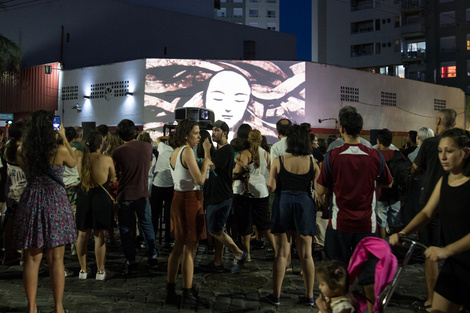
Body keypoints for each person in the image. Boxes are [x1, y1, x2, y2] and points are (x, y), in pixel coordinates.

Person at [316, 108, 393, 312]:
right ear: (361, 129)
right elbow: (388, 183)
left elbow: (320, 189)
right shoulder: (375, 156)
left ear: (341, 128)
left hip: (339, 223)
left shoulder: (333, 155)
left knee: (335, 273)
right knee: (369, 276)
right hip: (368, 224)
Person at [390, 128, 470, 313]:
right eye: (440, 151)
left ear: (465, 152)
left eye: (449, 151)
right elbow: (427, 213)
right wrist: (404, 232)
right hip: (455, 263)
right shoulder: (445, 181)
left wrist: (445, 250)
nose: (443, 156)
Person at [14, 110, 76, 313]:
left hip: (31, 200)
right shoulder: (60, 151)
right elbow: (74, 162)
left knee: (32, 258)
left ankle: (31, 308)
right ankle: (59, 308)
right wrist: (65, 137)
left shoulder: (22, 150)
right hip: (56, 203)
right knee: (56, 259)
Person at [265, 124, 319, 307]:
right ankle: (310, 296)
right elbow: (319, 191)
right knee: (307, 254)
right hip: (304, 204)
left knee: (281, 253)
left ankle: (276, 295)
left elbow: (271, 187)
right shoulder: (313, 163)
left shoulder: (278, 160)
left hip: (284, 202)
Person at [411, 108, 456, 311]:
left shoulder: (429, 143)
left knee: (431, 251)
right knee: (454, 253)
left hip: (431, 202)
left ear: (438, 121)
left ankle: (432, 298)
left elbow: (415, 168)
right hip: (453, 204)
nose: (444, 157)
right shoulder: (460, 143)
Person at [165, 119, 212, 309]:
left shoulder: (175, 152)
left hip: (178, 199)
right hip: (189, 201)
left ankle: (171, 289)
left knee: (178, 247)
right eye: (196, 133)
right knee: (190, 250)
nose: (199, 136)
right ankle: (187, 291)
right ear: (186, 135)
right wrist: (207, 161)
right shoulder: (187, 151)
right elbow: (200, 179)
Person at [199, 120, 249, 273]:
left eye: (216, 130)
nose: (213, 133)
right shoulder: (219, 150)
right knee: (218, 229)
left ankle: (239, 253)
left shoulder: (227, 150)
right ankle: (217, 262)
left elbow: (211, 167)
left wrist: (206, 150)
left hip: (221, 196)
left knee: (214, 230)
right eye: (212, 130)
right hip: (216, 194)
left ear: (225, 133)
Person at [112, 119, 159, 274]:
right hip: (142, 193)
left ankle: (130, 259)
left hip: (124, 194)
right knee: (146, 226)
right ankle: (152, 256)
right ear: (135, 132)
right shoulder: (147, 147)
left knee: (125, 229)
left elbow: (116, 173)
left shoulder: (117, 152)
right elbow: (149, 166)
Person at [75, 131, 116, 280]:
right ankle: (100, 270)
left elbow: (80, 177)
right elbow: (112, 179)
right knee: (100, 236)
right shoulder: (106, 159)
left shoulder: (80, 159)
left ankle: (83, 270)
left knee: (82, 234)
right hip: (101, 197)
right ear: (100, 144)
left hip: (84, 196)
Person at [232, 129, 275, 260]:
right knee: (264, 223)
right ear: (261, 140)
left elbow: (237, 172)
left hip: (244, 191)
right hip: (262, 191)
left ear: (248, 140)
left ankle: (247, 254)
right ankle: (277, 251)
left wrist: (232, 171)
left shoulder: (246, 153)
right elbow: (269, 171)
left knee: (245, 223)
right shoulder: (267, 154)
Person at [2, 120, 27, 266]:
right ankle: (24, 255)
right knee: (25, 224)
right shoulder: (22, 149)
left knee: (9, 222)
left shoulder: (7, 147)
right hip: (23, 190)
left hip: (11, 189)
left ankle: (8, 254)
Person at [375, 128, 404, 239]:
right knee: (396, 222)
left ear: (379, 141)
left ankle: (382, 249)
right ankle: (397, 248)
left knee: (381, 223)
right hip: (395, 193)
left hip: (381, 193)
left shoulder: (376, 155)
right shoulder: (398, 154)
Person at [150, 132, 176, 249]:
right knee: (168, 215)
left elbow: (159, 138)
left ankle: (153, 238)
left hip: (158, 185)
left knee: (155, 214)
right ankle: (167, 240)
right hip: (171, 186)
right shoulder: (178, 152)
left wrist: (169, 137)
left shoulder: (163, 147)